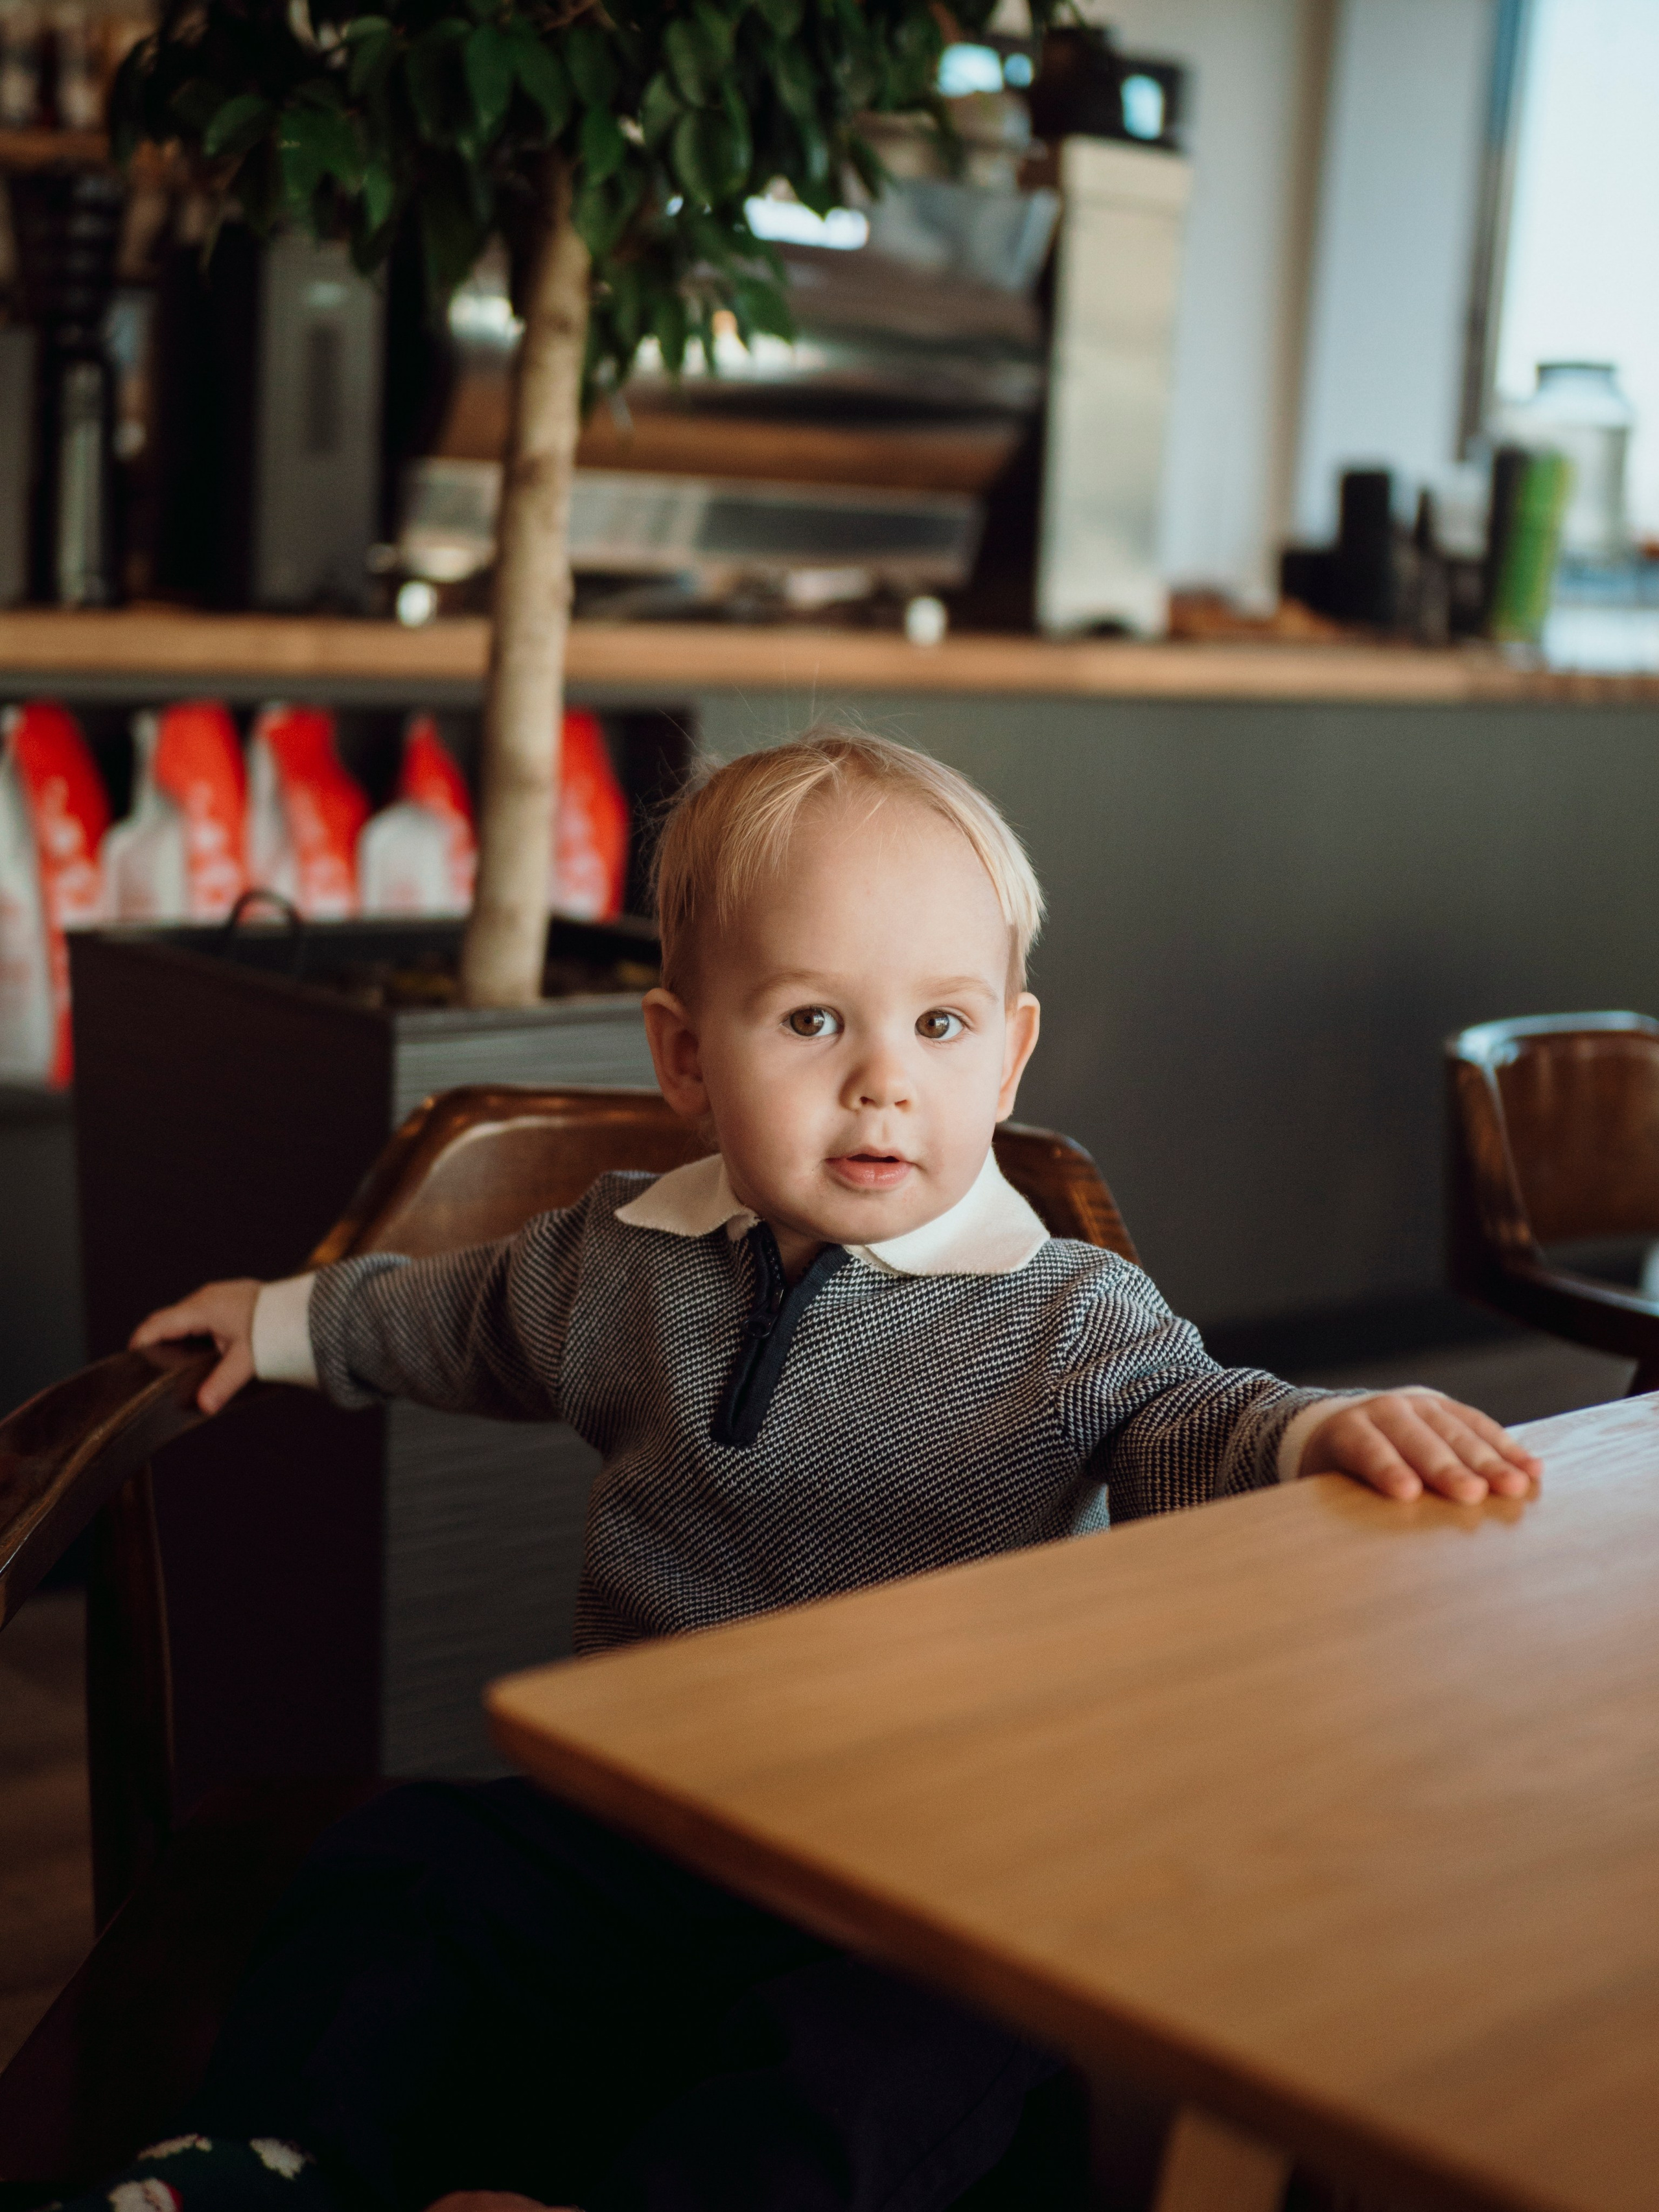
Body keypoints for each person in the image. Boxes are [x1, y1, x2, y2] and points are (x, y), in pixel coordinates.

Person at [95, 730, 1538, 2212]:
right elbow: (454, 1320)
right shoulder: (622, 1257)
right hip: (641, 1832)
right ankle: (260, 2160)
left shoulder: (1061, 1315)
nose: (880, 1083)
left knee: (927, 2042)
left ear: (1008, 1053)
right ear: (685, 1058)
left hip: (918, 1887)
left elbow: (1189, 1419)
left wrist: (1308, 1432)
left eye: (939, 1025)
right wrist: (280, 1322)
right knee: (404, 1866)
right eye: (808, 1020)